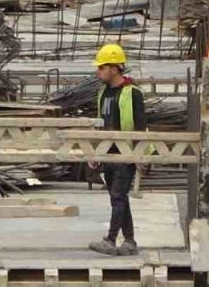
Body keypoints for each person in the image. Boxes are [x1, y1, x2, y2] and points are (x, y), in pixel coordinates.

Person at [88, 43, 146, 257]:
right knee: (119, 198)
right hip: (108, 152)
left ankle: (111, 240)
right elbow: (100, 123)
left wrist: (141, 155)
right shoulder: (103, 93)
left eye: (102, 67)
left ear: (114, 68)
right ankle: (129, 241)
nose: (98, 71)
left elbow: (141, 125)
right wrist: (96, 153)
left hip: (126, 153)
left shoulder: (133, 93)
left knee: (118, 195)